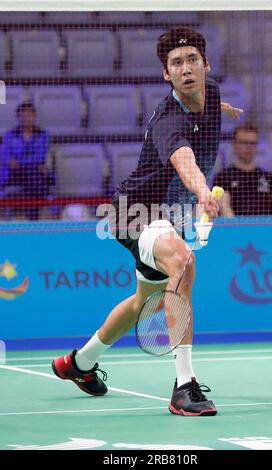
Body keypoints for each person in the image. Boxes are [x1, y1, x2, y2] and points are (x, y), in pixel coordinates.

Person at [52, 27, 241, 417]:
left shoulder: (213, 91)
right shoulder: (168, 121)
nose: (186, 69)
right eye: (176, 64)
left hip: (166, 215)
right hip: (132, 212)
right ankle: (184, 387)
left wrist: (224, 112)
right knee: (183, 262)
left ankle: (79, 364)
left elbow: (208, 106)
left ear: (205, 65)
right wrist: (203, 191)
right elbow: (184, 159)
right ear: (166, 75)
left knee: (145, 303)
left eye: (192, 60)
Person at [213, 123, 272, 216]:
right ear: (234, 144)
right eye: (244, 142)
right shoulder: (223, 178)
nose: (249, 147)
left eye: (253, 143)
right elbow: (224, 208)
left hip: (267, 229)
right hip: (236, 229)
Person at [0, 101, 52, 220]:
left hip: (34, 173)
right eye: (23, 115)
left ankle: (31, 216)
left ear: (34, 116)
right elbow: (6, 157)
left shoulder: (42, 135)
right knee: (33, 176)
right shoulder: (10, 135)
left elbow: (41, 156)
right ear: (18, 117)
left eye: (29, 115)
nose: (26, 118)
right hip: (15, 175)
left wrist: (20, 161)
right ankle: (35, 213)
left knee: (32, 178)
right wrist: (28, 162)